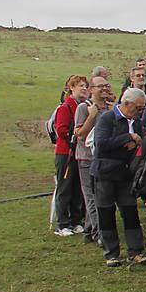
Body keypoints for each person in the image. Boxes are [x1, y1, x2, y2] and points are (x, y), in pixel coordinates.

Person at [92, 87, 146, 267]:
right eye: (138, 108)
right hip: (105, 174)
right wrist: (127, 138)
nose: (140, 111)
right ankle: (111, 253)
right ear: (127, 103)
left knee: (130, 212)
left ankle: (136, 251)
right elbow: (100, 144)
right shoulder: (107, 118)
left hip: (126, 174)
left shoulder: (137, 121)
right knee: (106, 212)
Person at [73, 76, 113, 244]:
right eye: (99, 87)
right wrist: (92, 116)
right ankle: (100, 234)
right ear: (91, 90)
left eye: (106, 86)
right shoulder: (84, 108)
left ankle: (89, 231)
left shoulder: (110, 109)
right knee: (91, 197)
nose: (104, 89)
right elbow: (80, 135)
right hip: (86, 158)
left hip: (104, 159)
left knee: (101, 196)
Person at [53, 74, 89, 237]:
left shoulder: (83, 106)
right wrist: (72, 135)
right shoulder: (65, 107)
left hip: (77, 153)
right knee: (64, 187)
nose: (84, 88)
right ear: (71, 88)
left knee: (77, 188)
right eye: (80, 85)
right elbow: (60, 130)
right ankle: (62, 223)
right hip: (65, 153)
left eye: (85, 86)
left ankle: (76, 220)